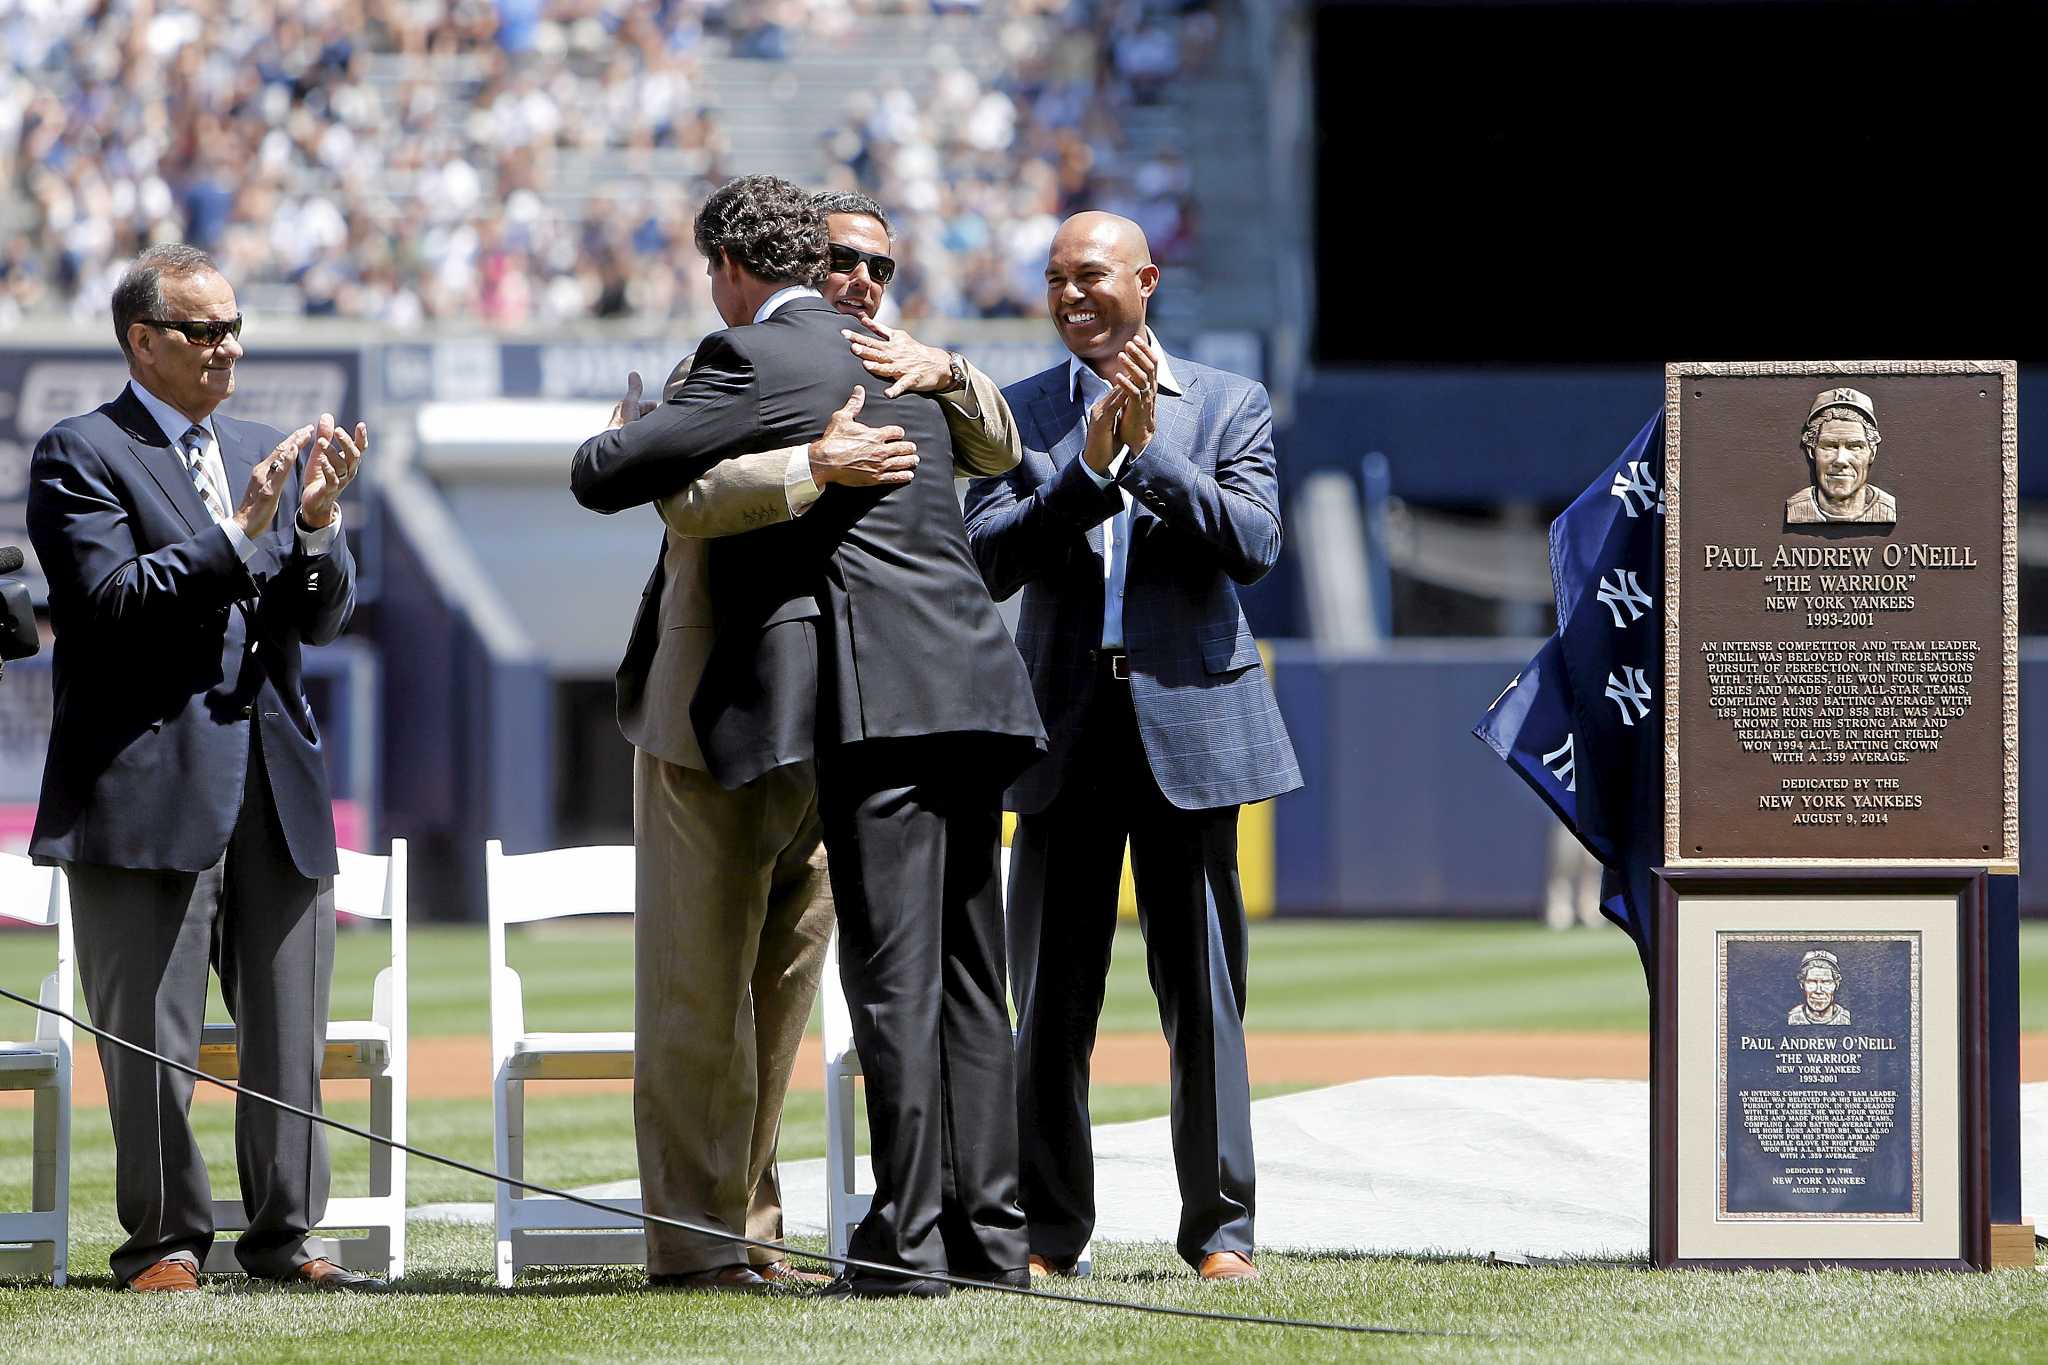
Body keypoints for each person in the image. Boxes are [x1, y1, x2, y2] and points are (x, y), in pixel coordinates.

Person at [571, 174, 1044, 1298]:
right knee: (937, 975)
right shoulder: (813, 360)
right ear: (807, 262)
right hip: (837, 697)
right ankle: (945, 1238)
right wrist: (807, 467)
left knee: (854, 984)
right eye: (849, 265)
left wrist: (944, 368)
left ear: (733, 266)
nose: (864, 286)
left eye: (882, 270)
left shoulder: (871, 361)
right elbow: (692, 501)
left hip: (858, 707)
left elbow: (631, 480)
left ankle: (903, 1243)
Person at [25, 244, 371, 1293]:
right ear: (143, 340)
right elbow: (110, 604)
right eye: (204, 331)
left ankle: (287, 1236)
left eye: (234, 326)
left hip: (276, 784)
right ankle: (165, 1244)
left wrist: (312, 527)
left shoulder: (269, 446)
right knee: (150, 1047)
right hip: (145, 786)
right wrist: (238, 531)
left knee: (287, 1038)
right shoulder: (80, 452)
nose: (229, 348)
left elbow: (321, 614)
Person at [964, 211, 1302, 1284]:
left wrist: (1149, 455)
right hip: (1061, 729)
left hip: (1190, 729)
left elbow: (1251, 546)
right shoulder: (1016, 414)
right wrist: (1086, 474)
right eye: (1054, 278)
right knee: (1050, 1007)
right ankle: (1047, 1235)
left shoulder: (1228, 403)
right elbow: (983, 558)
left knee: (1201, 1001)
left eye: (1091, 275)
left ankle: (1221, 1233)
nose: (1069, 295)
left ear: (1144, 282)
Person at [1785, 387, 1896, 524]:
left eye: (1854, 446)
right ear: (1811, 451)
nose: (1840, 459)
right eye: (1830, 446)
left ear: (1872, 452)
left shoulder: (1887, 509)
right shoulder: (1795, 509)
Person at [1788, 951, 1852, 1026]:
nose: (1818, 990)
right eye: (1812, 982)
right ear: (1802, 984)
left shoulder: (1846, 1018)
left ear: (1836, 985)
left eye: (1826, 982)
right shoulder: (1792, 1017)